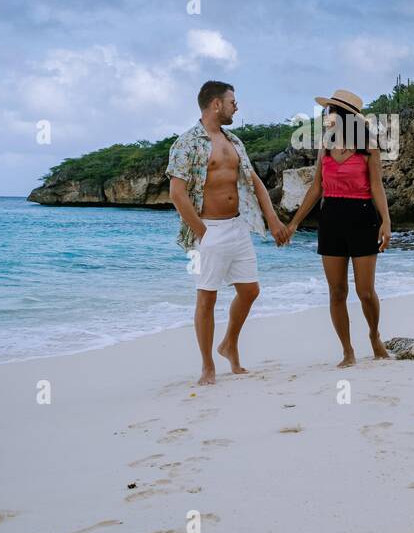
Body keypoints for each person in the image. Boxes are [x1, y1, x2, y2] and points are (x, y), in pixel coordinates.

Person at [167, 81, 288, 385]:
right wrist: (202, 233)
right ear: (216, 105)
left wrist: (272, 220)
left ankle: (229, 344)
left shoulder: (233, 141)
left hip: (237, 226)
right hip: (210, 229)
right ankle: (208, 366)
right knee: (207, 299)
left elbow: (254, 180)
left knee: (250, 291)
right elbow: (177, 194)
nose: (237, 106)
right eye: (233, 101)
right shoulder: (187, 143)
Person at [285, 88, 392, 367]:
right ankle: (347, 351)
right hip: (331, 217)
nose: (325, 116)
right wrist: (294, 222)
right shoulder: (325, 147)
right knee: (337, 291)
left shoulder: (368, 147)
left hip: (363, 216)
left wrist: (386, 222)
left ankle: (374, 335)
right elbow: (316, 188)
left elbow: (377, 188)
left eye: (330, 111)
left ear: (343, 116)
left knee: (365, 292)